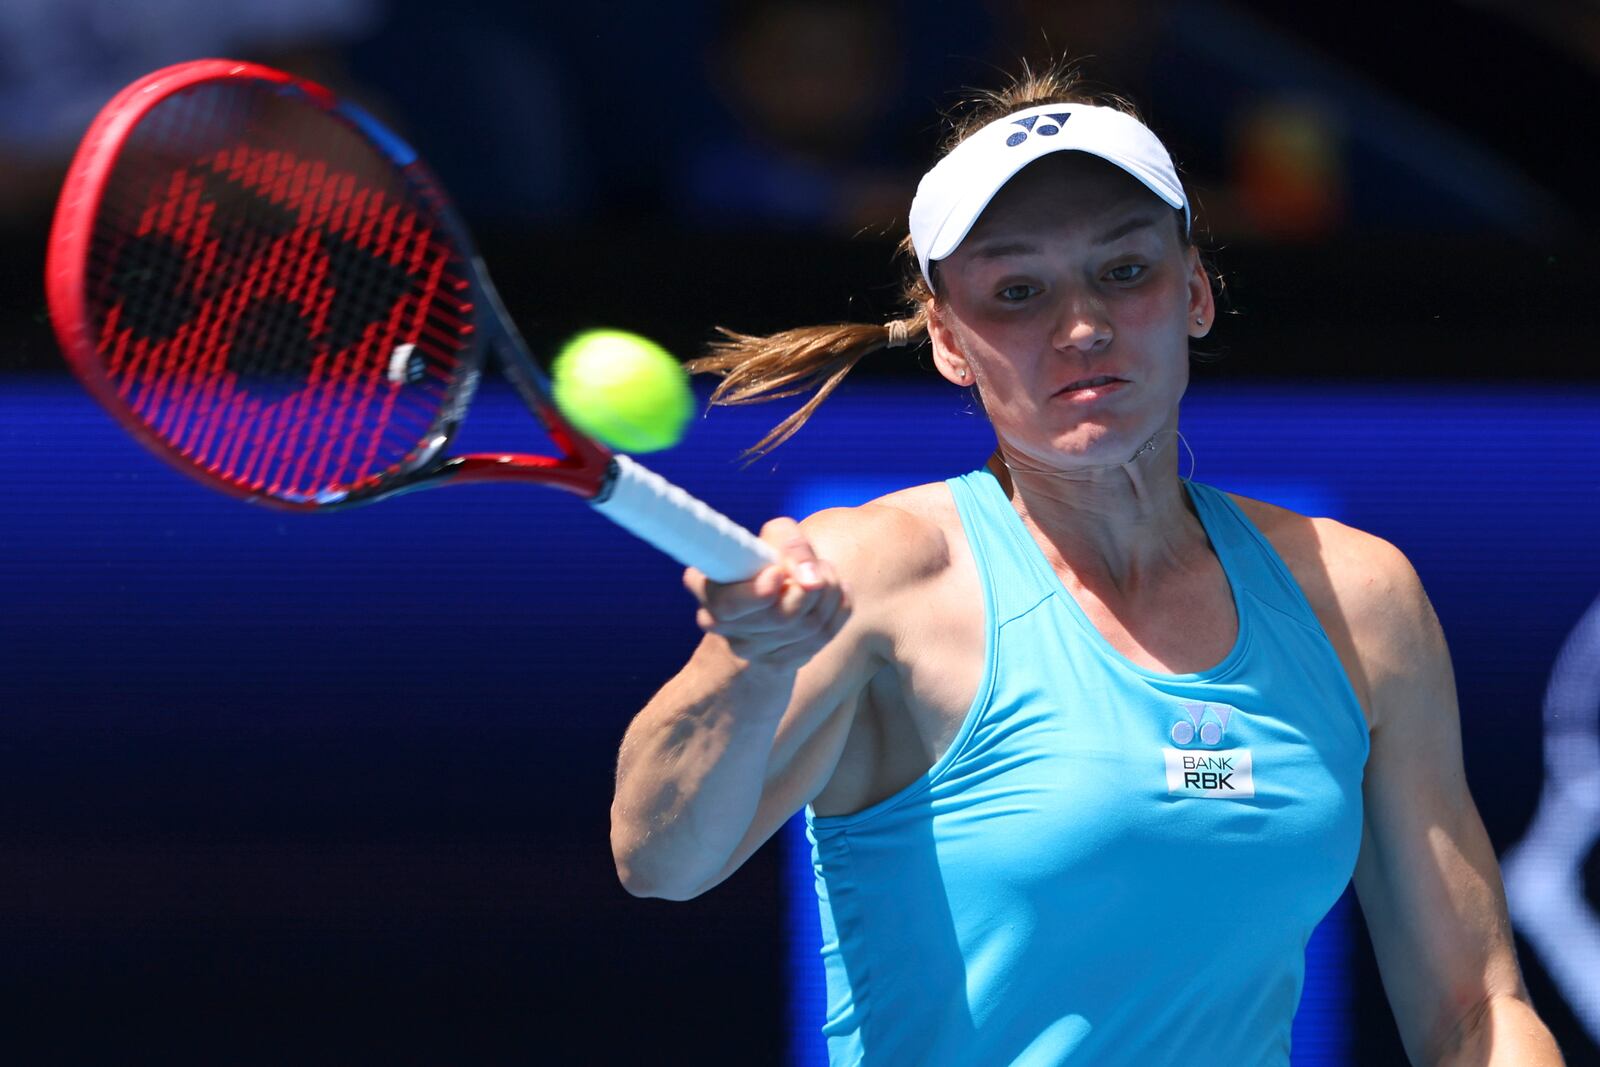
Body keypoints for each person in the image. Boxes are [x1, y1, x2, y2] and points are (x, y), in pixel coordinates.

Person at [608, 63, 1565, 1066]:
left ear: (1193, 290)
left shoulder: (1360, 595)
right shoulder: (878, 572)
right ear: (948, 339)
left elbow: (1474, 1008)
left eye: (1123, 270)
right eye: (1018, 291)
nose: (1082, 326)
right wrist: (748, 661)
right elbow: (659, 858)